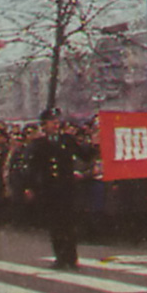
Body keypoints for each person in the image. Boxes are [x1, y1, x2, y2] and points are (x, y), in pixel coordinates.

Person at [24, 107, 98, 270]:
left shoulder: (67, 140)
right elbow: (32, 168)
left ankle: (71, 258)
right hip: (50, 190)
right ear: (44, 125)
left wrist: (95, 145)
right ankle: (60, 257)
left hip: (67, 189)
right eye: (52, 122)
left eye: (57, 122)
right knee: (55, 225)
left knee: (69, 224)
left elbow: (84, 155)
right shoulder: (39, 144)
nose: (55, 125)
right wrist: (30, 187)